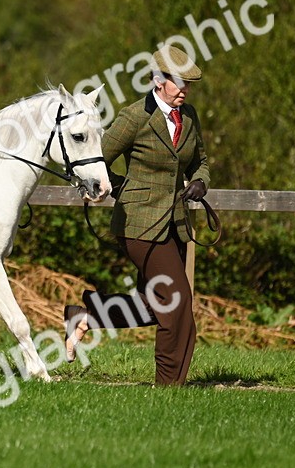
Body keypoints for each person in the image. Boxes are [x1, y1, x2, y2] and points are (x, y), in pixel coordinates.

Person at [65, 46, 211, 386]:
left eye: (188, 84)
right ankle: (169, 388)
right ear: (158, 81)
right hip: (138, 223)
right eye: (179, 83)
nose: (185, 90)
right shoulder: (134, 117)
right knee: (178, 303)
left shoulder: (188, 116)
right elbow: (96, 159)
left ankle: (86, 316)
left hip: (174, 224)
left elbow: (199, 159)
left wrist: (201, 180)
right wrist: (121, 188)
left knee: (156, 303)